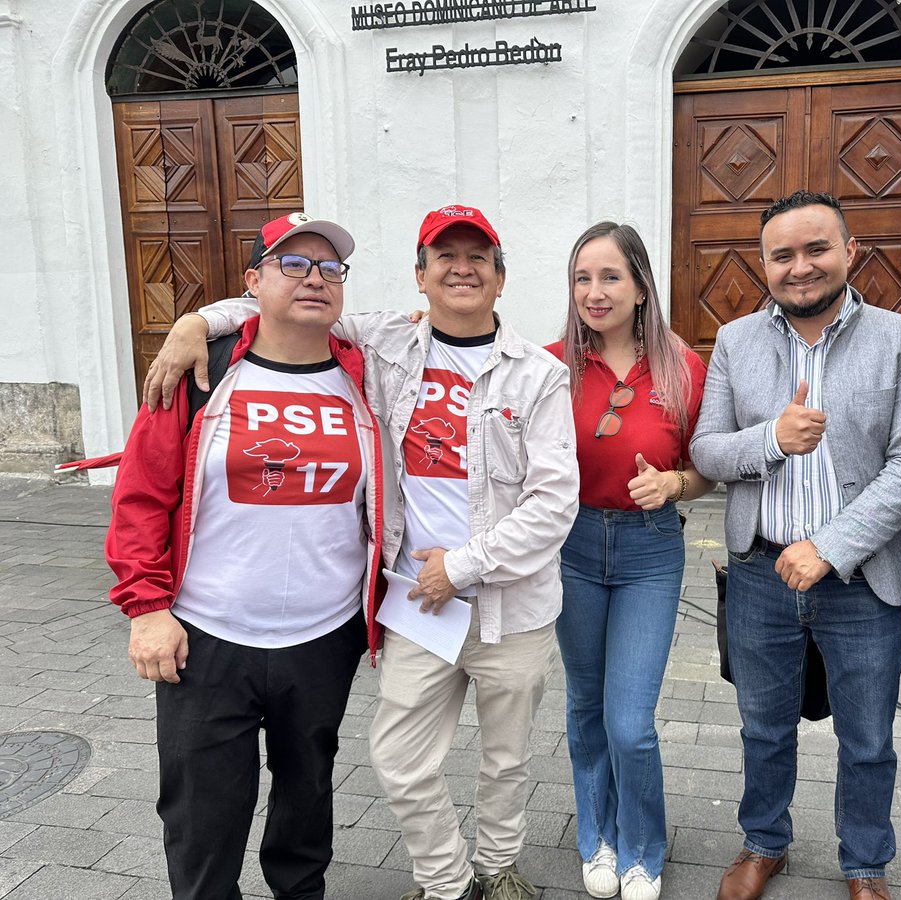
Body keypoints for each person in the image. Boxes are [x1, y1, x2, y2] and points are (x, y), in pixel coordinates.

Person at [144, 205, 580, 900]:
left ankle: (498, 868)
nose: (461, 268)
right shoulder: (383, 341)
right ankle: (445, 881)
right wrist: (197, 321)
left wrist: (460, 568)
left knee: (506, 759)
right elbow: (285, 304)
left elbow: (555, 504)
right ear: (420, 276)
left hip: (511, 604)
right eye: (445, 256)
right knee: (400, 758)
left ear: (501, 279)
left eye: (478, 258)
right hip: (414, 601)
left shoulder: (539, 374)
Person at [101, 212, 382, 899]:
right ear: (254, 280)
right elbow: (140, 496)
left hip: (324, 636)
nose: (315, 278)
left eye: (329, 268)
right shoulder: (202, 374)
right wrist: (146, 608)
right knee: (203, 811)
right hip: (206, 638)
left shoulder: (367, 378)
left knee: (307, 794)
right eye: (293, 263)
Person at [690, 191, 901, 900]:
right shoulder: (735, 341)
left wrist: (830, 545)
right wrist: (772, 438)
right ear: (763, 264)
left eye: (816, 249)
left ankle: (865, 864)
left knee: (867, 739)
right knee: (762, 727)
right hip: (761, 571)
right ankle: (765, 842)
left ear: (849, 252)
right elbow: (705, 449)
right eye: (783, 255)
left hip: (862, 578)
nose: (801, 267)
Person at [545, 222, 713, 900]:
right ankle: (600, 836)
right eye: (583, 277)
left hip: (650, 550)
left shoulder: (683, 368)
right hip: (572, 547)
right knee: (586, 706)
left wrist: (673, 484)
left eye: (610, 276)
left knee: (629, 721)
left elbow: (705, 469)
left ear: (642, 286)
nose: (595, 291)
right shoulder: (551, 367)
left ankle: (645, 846)